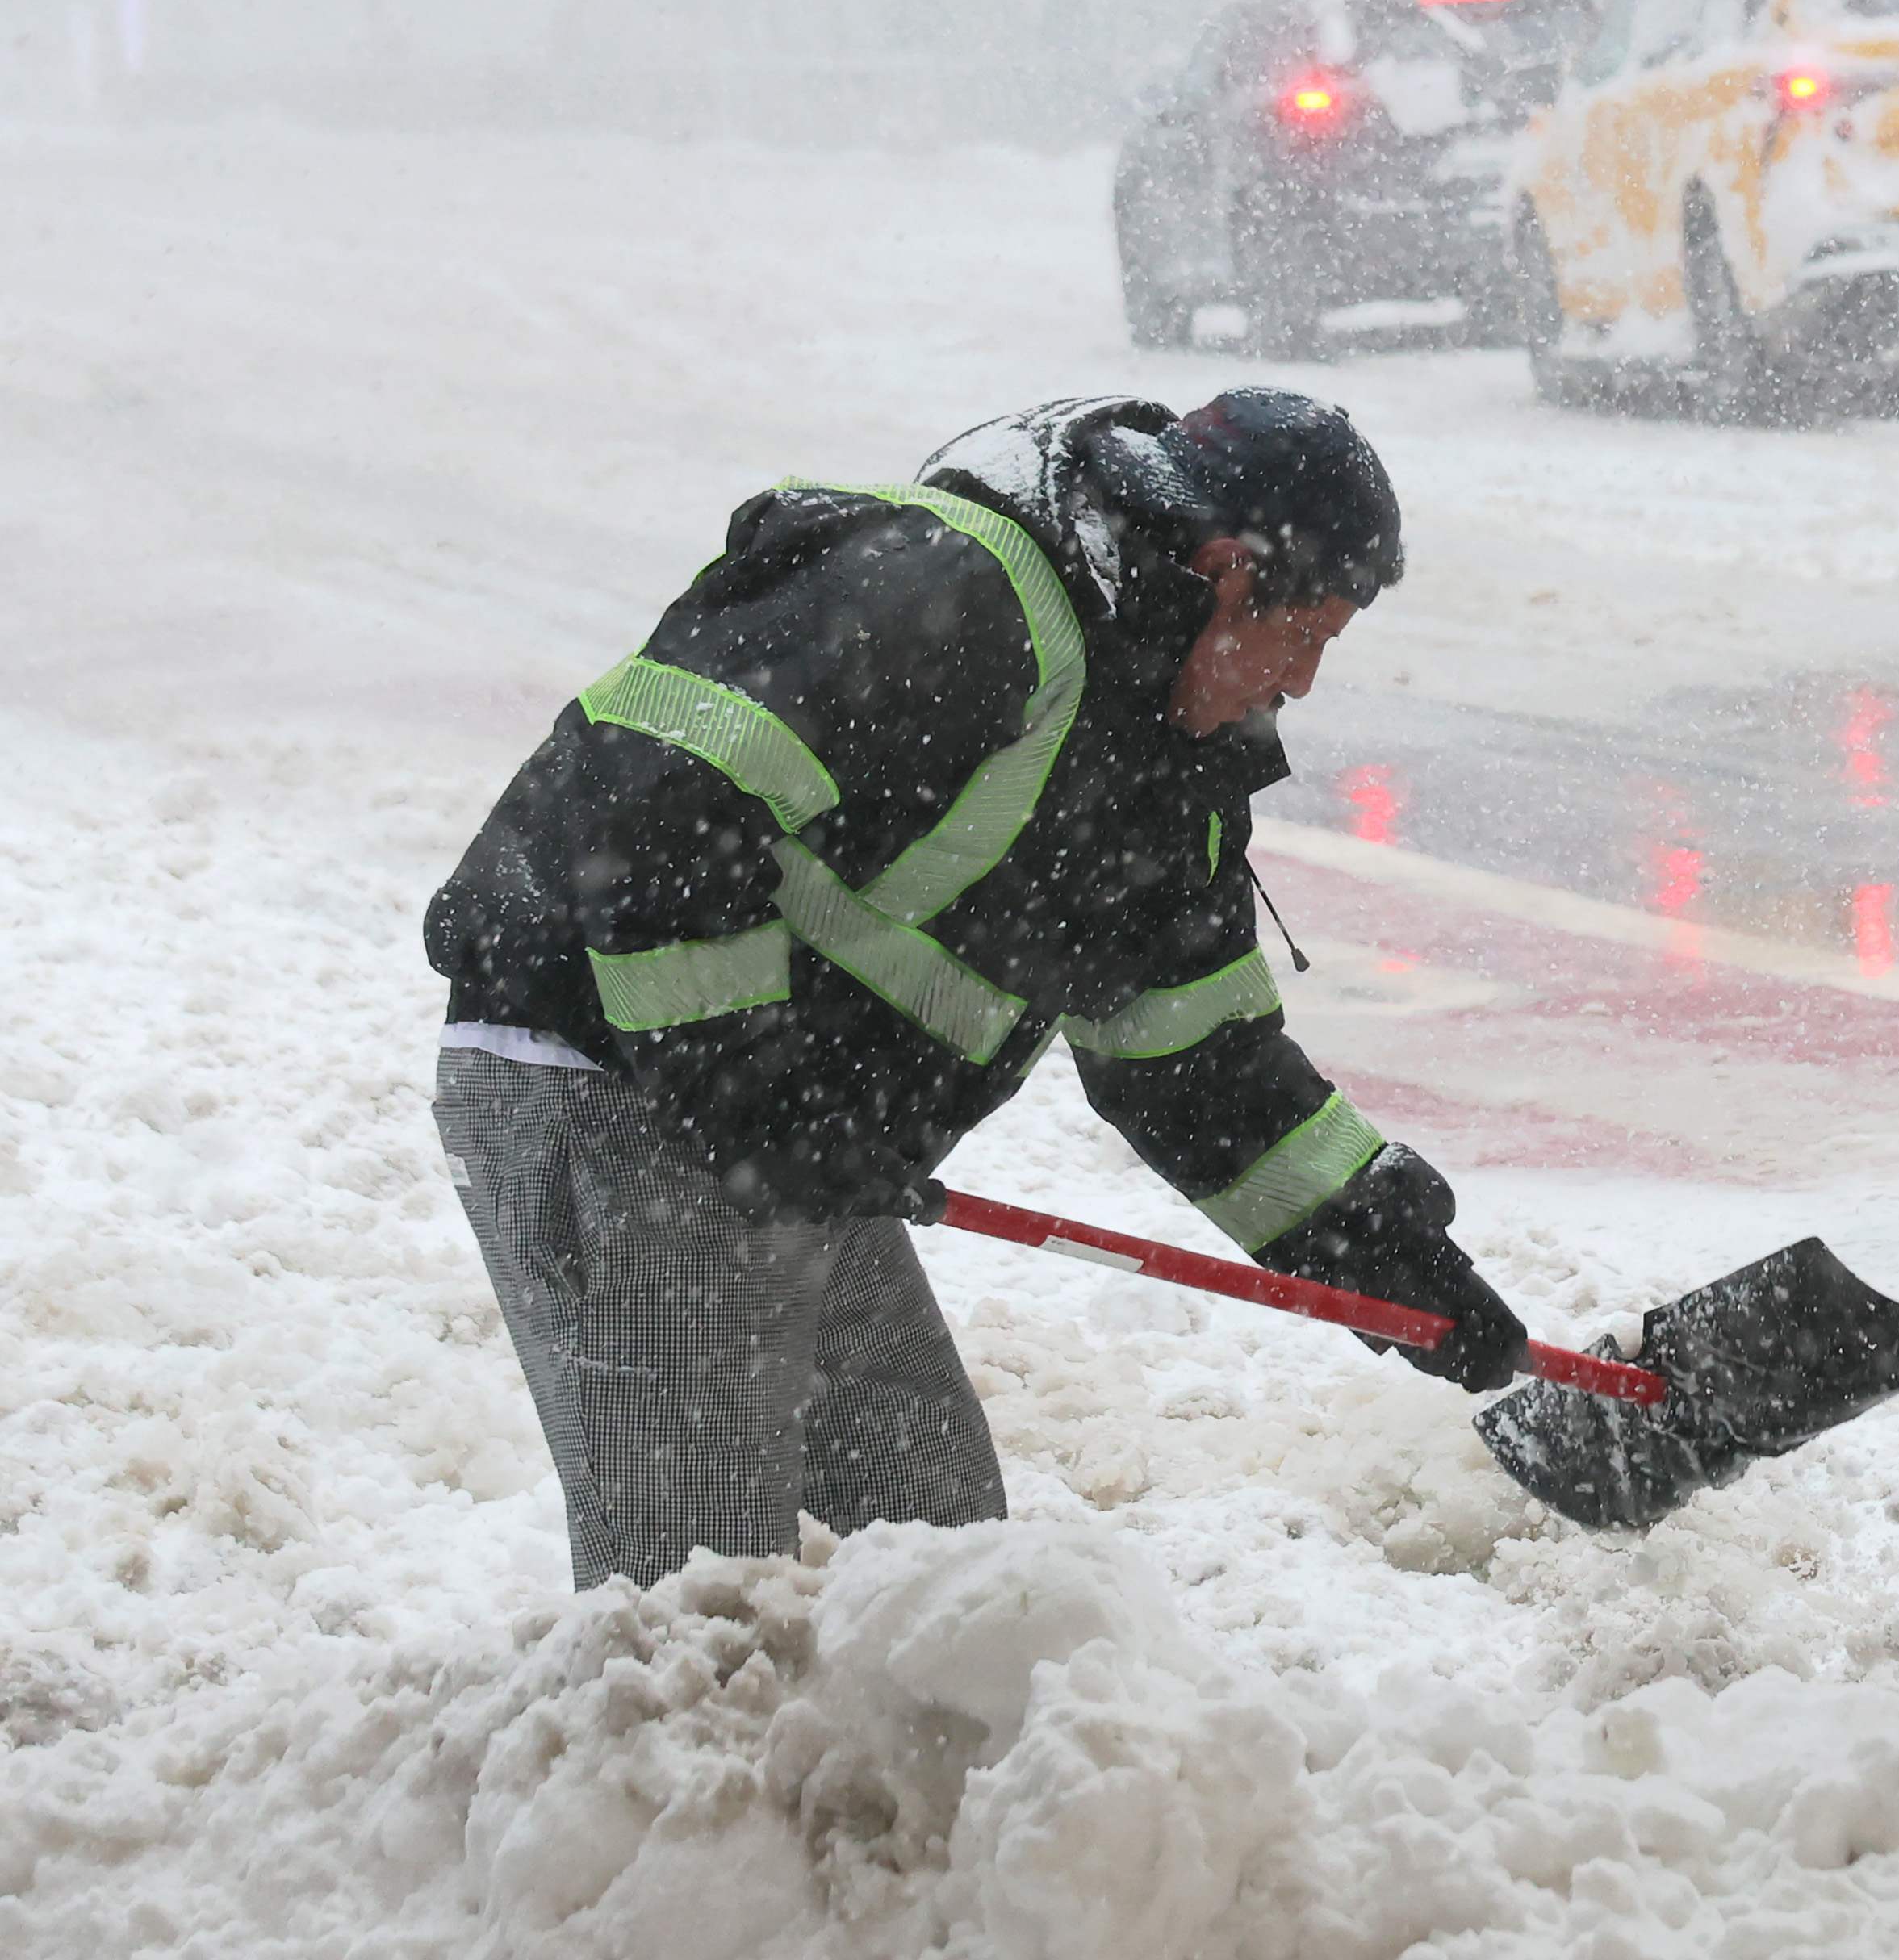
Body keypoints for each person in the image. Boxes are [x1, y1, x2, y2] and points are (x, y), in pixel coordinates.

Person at [425, 390, 1530, 1588]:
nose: (1305, 683)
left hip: (777, 1136)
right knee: (704, 1601)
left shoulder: (1160, 765)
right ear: (1223, 572)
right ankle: (632, 1773)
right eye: (1306, 632)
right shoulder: (960, 597)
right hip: (613, 1075)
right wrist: (754, 1096)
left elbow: (1196, 1069)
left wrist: (1382, 1254)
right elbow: (653, 807)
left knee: (930, 1554)